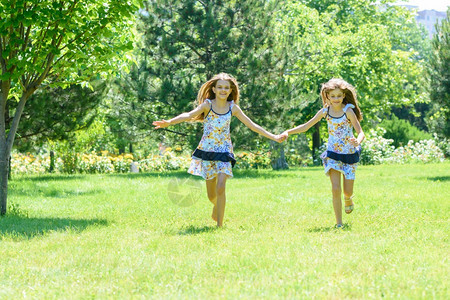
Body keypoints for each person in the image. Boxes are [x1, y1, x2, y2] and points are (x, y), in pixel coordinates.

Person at [153, 73, 285, 227]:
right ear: (214, 89)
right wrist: (169, 122)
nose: (223, 90)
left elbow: (252, 125)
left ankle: (220, 226)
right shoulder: (207, 105)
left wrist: (274, 137)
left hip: (224, 151)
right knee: (211, 195)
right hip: (207, 151)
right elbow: (189, 115)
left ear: (230, 91)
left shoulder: (233, 108)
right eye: (220, 87)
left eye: (226, 88)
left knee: (221, 186)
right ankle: (216, 205)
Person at [281, 78, 365, 228]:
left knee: (347, 191)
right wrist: (288, 131)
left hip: (349, 154)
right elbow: (306, 126)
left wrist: (357, 141)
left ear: (343, 96)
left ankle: (348, 198)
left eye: (339, 96)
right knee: (335, 188)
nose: (336, 99)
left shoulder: (348, 111)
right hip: (332, 153)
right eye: (332, 96)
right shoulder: (325, 112)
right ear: (327, 96)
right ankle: (339, 223)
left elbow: (360, 132)